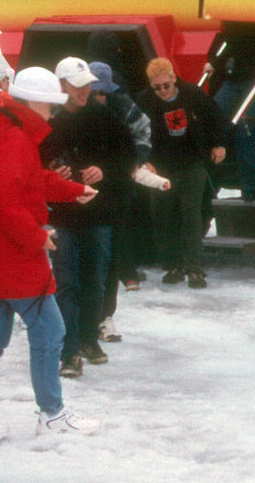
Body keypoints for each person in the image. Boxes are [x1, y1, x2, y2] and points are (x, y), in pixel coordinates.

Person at [0, 66, 100, 445]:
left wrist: (70, 189)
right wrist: (36, 236)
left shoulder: (5, 132)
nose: (53, 114)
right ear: (34, 102)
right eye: (50, 106)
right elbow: (4, 201)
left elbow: (26, 183)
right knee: (51, 331)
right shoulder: (14, 137)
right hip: (13, 255)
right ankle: (52, 414)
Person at [42, 57, 133, 378]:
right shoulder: (49, 121)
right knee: (66, 281)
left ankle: (89, 340)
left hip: (99, 212)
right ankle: (69, 351)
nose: (85, 91)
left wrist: (103, 171)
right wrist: (54, 172)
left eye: (87, 85)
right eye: (78, 85)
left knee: (95, 279)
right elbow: (36, 165)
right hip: (64, 215)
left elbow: (128, 156)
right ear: (63, 85)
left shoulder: (105, 117)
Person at [134, 57, 228, 288]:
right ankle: (172, 265)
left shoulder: (192, 94)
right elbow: (135, 132)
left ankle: (194, 267)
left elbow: (216, 118)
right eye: (157, 87)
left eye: (166, 85)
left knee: (192, 215)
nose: (163, 91)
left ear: (173, 78)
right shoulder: (145, 101)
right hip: (161, 166)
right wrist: (144, 161)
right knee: (163, 216)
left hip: (191, 162)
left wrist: (219, 144)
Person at [91, 59, 152, 341]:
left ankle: (104, 317)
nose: (99, 97)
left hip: (115, 192)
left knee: (110, 256)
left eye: (104, 92)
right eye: (94, 91)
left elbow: (144, 129)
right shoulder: (68, 110)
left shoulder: (123, 107)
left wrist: (135, 159)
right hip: (78, 195)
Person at [203, 23, 255, 201]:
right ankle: (206, 184)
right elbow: (229, 42)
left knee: (245, 128)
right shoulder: (233, 21)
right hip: (235, 78)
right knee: (209, 121)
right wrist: (214, 62)